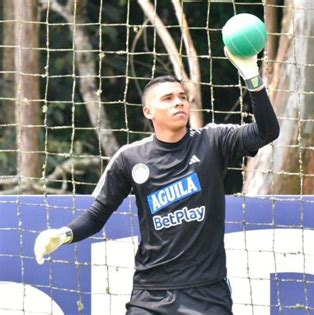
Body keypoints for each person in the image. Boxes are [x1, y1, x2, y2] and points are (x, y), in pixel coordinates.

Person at [34, 47, 280, 314]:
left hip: (207, 292)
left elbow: (266, 132)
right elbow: (97, 215)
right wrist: (64, 234)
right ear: (148, 111)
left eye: (183, 97)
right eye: (168, 98)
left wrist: (251, 76)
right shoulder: (130, 157)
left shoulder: (213, 140)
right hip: (150, 294)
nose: (179, 102)